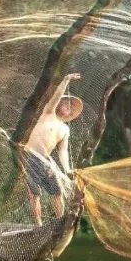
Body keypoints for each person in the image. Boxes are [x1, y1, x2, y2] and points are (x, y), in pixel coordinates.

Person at [22, 72, 83, 226]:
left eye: (71, 106)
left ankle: (60, 222)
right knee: (34, 194)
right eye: (66, 103)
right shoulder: (48, 113)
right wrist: (66, 80)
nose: (68, 106)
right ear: (58, 104)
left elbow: (62, 151)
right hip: (29, 156)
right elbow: (56, 97)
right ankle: (38, 224)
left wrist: (67, 169)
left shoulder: (65, 129)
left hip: (45, 161)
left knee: (58, 191)